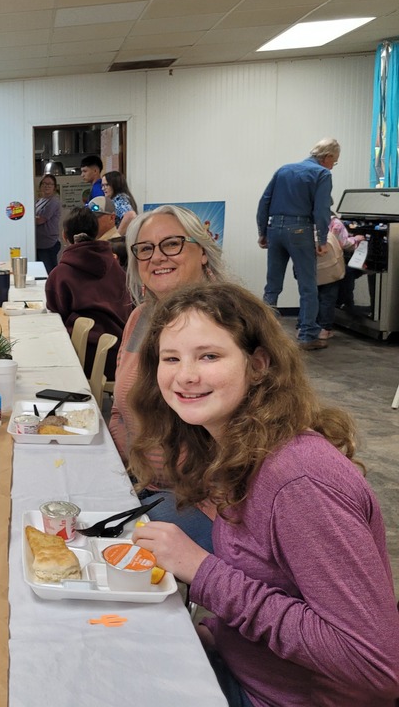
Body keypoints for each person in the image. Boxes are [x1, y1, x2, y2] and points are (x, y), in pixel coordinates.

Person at [128, 282, 399, 707]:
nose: (185, 375)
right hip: (249, 671)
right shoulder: (235, 451)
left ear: (258, 365)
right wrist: (220, 636)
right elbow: (276, 582)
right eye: (171, 358)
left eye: (209, 356)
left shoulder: (299, 481)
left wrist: (203, 572)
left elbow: (373, 665)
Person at [110, 205, 228, 552]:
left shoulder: (225, 323)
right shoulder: (140, 319)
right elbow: (119, 408)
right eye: (145, 248)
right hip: (143, 484)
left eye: (172, 244)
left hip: (203, 503)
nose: (156, 256)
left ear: (203, 252)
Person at [256, 138, 339, 350]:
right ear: (327, 157)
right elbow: (321, 210)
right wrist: (322, 239)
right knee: (308, 286)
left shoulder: (284, 169)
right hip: (300, 230)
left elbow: (264, 201)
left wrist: (262, 231)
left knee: (272, 284)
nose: (333, 166)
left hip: (275, 229)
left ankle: (263, 332)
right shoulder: (322, 174)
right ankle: (308, 335)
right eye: (335, 162)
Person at [44, 206, 130, 380]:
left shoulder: (61, 273)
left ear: (64, 236)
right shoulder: (116, 267)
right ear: (96, 232)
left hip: (83, 357)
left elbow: (55, 318)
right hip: (121, 355)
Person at [316, 213, 363, 340]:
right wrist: (356, 239)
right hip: (330, 267)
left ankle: (307, 326)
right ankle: (324, 329)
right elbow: (343, 243)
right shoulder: (336, 223)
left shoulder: (308, 219)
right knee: (328, 297)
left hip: (312, 266)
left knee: (312, 296)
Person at [34, 174, 62, 275]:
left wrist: (28, 220)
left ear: (54, 187)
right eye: (44, 183)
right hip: (39, 244)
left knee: (50, 274)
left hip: (48, 244)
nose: (47, 186)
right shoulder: (40, 201)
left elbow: (41, 220)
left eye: (50, 184)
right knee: (40, 273)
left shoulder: (53, 201)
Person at [100, 170, 138, 235]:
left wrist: (117, 236)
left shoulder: (119, 199)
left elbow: (130, 215)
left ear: (115, 185)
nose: (103, 188)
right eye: (102, 185)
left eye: (106, 185)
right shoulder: (125, 197)